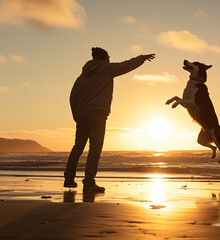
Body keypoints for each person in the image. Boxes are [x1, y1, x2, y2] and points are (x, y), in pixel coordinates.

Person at [64, 47, 155, 193]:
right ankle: (89, 183)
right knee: (95, 149)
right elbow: (127, 65)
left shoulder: (81, 77)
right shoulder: (107, 69)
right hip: (98, 114)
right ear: (105, 58)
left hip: (82, 114)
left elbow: (72, 97)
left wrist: (77, 116)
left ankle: (69, 179)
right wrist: (142, 57)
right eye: (109, 57)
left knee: (78, 147)